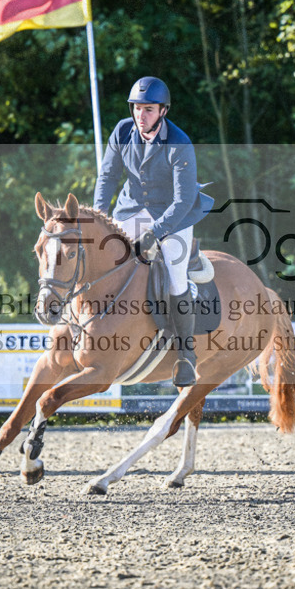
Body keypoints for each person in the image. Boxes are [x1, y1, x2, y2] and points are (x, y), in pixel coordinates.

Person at [93, 76, 213, 387]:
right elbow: (107, 177)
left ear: (163, 111)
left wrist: (155, 233)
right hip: (131, 211)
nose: (140, 115)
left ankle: (186, 355)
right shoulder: (122, 131)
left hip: (173, 216)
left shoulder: (179, 143)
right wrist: (98, 218)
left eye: (148, 109)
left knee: (175, 277)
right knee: (98, 260)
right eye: (136, 108)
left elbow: (182, 200)